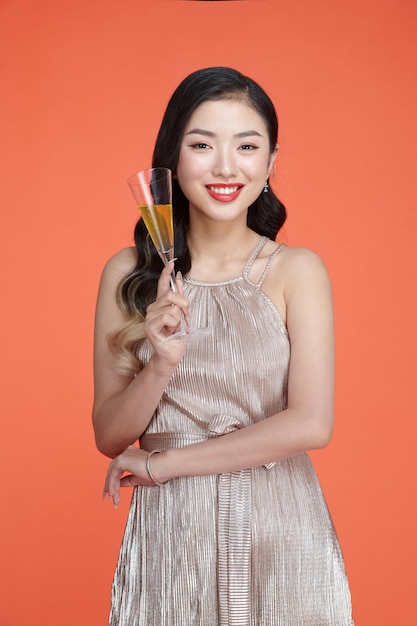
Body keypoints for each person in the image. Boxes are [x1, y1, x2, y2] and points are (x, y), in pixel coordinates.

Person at [93, 67, 354, 625]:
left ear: (270, 160)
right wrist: (160, 364)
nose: (226, 166)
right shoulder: (129, 274)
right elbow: (110, 435)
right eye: (202, 144)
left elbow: (311, 424)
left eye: (247, 145)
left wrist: (166, 464)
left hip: (279, 531)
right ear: (173, 158)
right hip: (171, 537)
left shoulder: (296, 271)